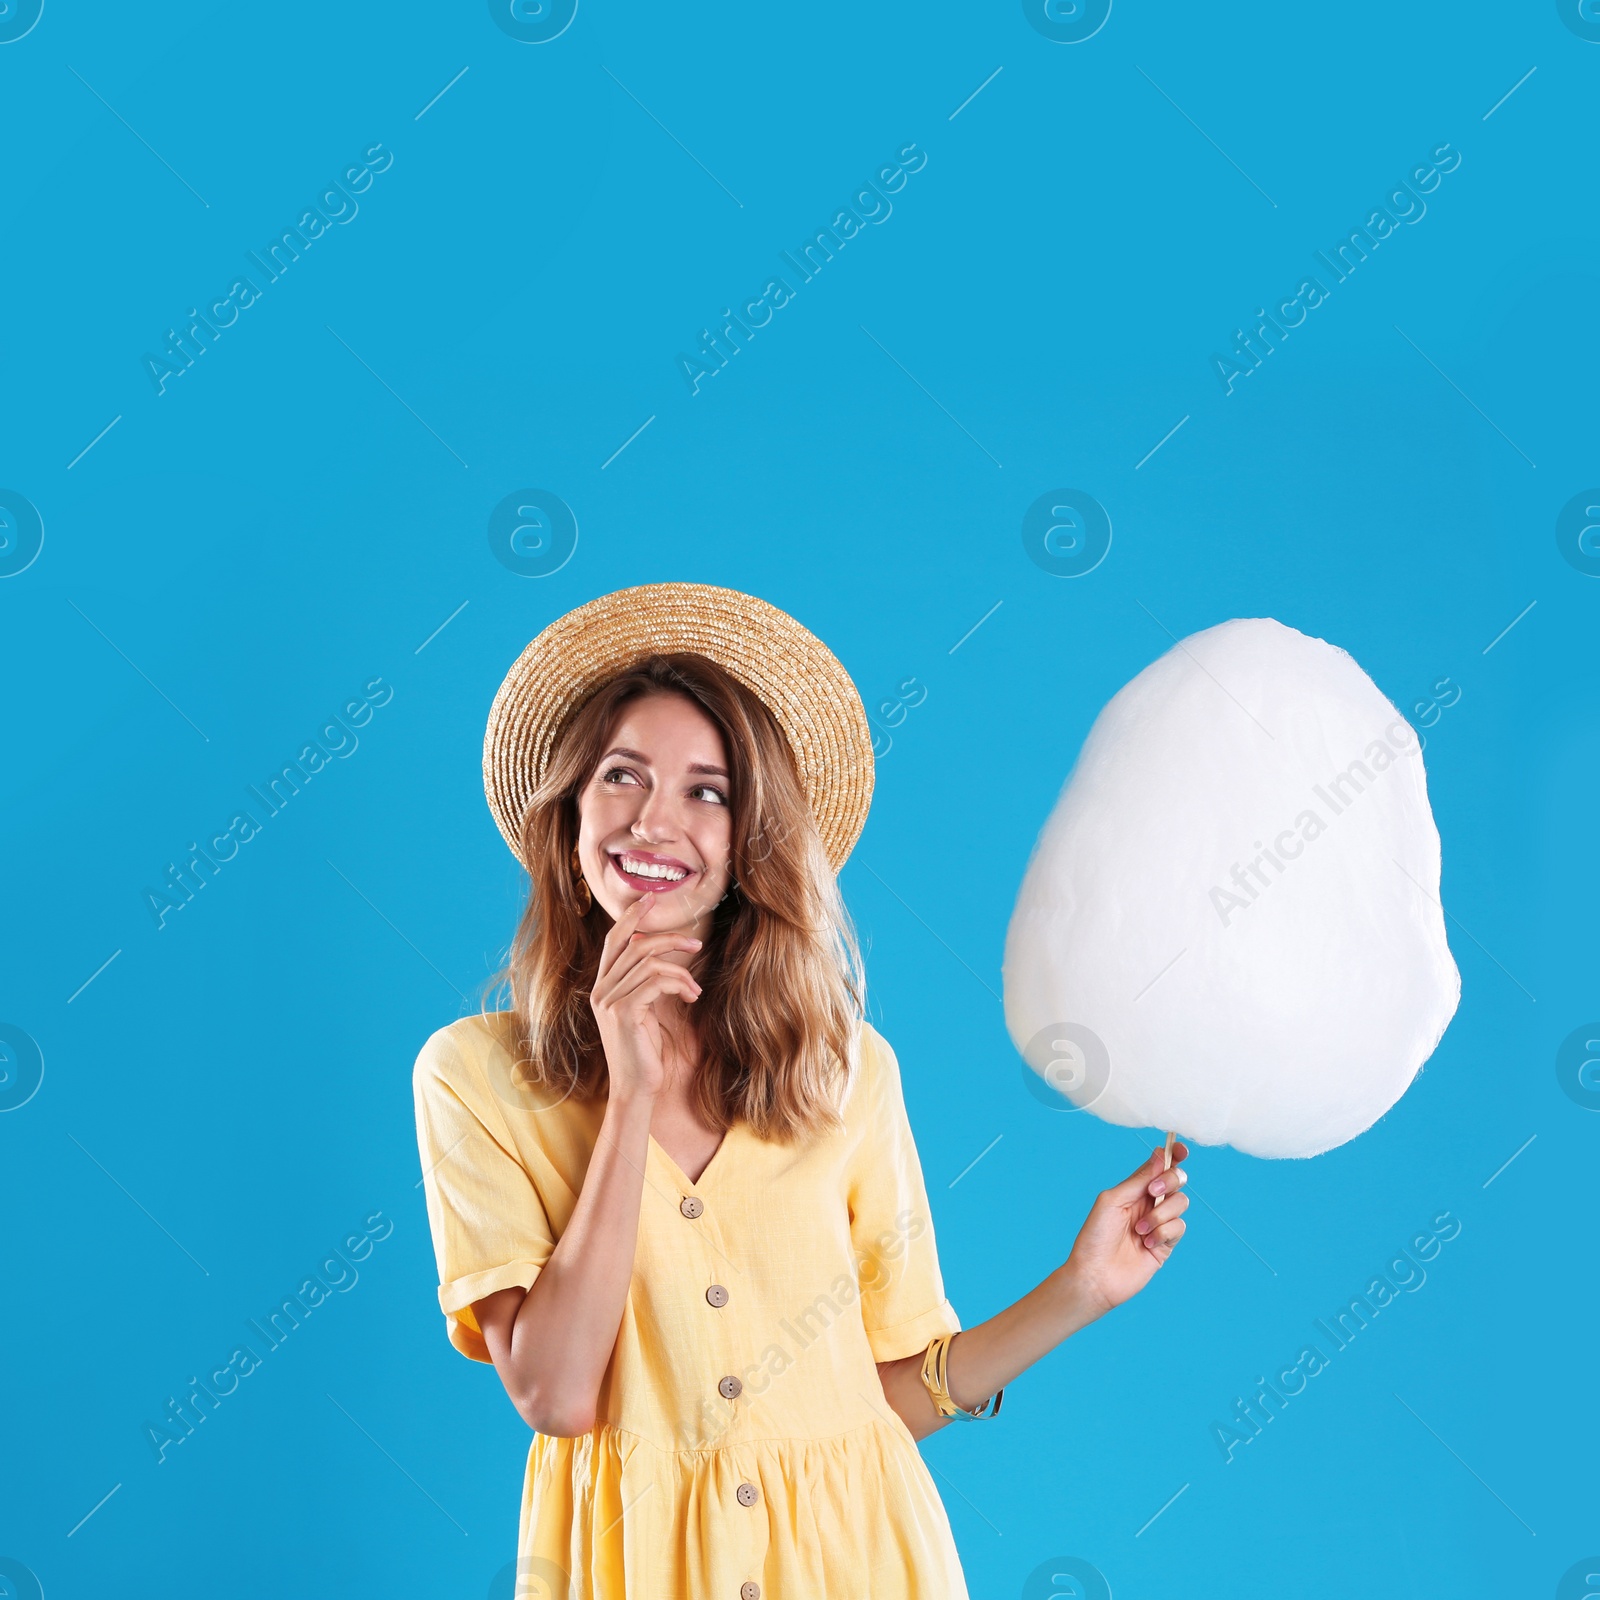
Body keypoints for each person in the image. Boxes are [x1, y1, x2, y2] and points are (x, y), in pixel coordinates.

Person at [413, 582, 1190, 1599]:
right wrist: (634, 1088)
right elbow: (555, 1392)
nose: (657, 820)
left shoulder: (848, 1071)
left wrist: (1078, 1290)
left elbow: (883, 1398)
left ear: (749, 845)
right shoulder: (474, 1076)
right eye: (621, 776)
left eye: (708, 790)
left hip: (860, 1560)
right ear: (567, 819)